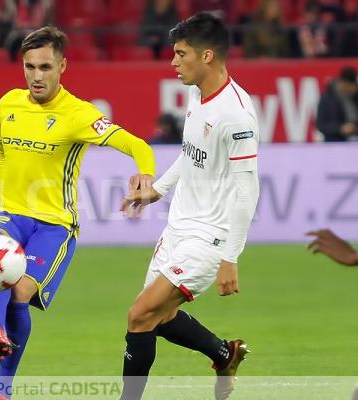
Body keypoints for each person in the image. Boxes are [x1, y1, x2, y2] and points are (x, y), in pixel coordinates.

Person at [0, 26, 156, 400]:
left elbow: (135, 143)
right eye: (30, 67)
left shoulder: (79, 114)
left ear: (62, 66)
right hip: (13, 215)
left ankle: (3, 382)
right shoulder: (8, 104)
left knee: (20, 292)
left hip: (55, 226)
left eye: (45, 67)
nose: (36, 76)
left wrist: (145, 174)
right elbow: (0, 155)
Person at [118, 13, 260, 400]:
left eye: (181, 54)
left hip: (209, 238)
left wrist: (230, 257)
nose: (173, 62)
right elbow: (190, 153)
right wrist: (158, 191)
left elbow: (248, 190)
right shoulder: (198, 94)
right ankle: (223, 353)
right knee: (157, 319)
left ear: (208, 55)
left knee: (139, 315)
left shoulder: (236, 116)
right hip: (178, 227)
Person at [316, 66, 358, 142]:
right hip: (335, 140)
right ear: (342, 82)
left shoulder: (355, 96)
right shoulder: (327, 98)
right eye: (347, 86)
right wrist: (340, 128)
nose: (350, 90)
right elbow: (321, 125)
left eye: (353, 87)